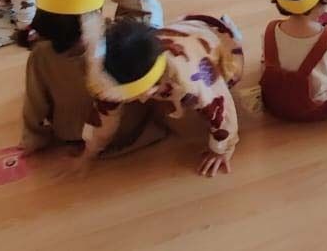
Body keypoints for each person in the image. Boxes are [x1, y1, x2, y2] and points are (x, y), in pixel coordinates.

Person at [21, 0, 150, 154]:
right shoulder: (110, 36)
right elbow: (137, 27)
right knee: (150, 10)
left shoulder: (41, 55)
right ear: (93, 14)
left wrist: (33, 139)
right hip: (124, 130)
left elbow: (35, 103)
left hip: (70, 133)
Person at [86, 14, 244, 177]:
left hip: (220, 48)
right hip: (184, 32)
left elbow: (222, 112)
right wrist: (89, 151)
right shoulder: (115, 67)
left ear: (148, 90)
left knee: (226, 79)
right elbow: (104, 115)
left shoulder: (192, 82)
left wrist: (220, 150)